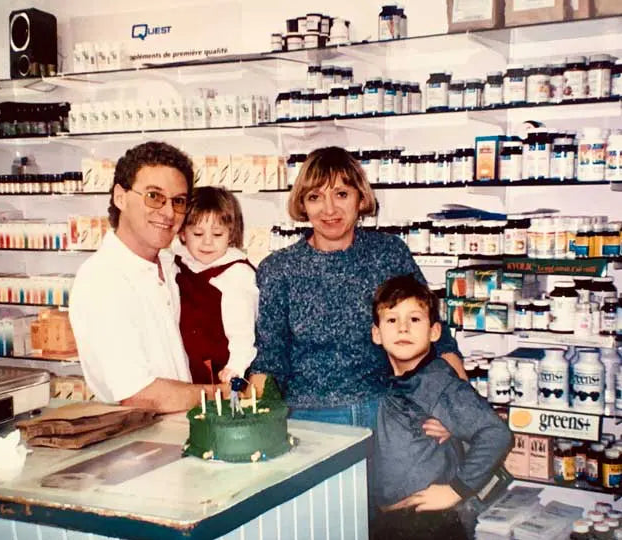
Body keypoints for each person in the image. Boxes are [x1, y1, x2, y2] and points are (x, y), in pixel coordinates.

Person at [252, 145, 465, 425]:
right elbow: (270, 360)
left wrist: (458, 413)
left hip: (388, 411)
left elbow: (435, 334)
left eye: (341, 194)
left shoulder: (388, 254)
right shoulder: (279, 268)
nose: (329, 209)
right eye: (315, 197)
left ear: (360, 198)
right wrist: (255, 421)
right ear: (302, 204)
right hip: (307, 418)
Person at [69, 141, 222, 412]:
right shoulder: (102, 280)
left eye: (178, 201)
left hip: (184, 426)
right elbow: (138, 394)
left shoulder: (172, 264)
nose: (168, 213)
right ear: (120, 197)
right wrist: (229, 393)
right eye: (154, 196)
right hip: (141, 434)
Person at [371, 275, 512, 539]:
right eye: (392, 320)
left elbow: (496, 433)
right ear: (377, 334)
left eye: (414, 319)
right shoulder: (391, 378)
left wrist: (456, 490)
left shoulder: (439, 382)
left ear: (434, 332)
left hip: (428, 522)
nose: (403, 329)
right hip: (394, 518)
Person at [174, 186, 258, 384]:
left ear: (231, 235)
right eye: (197, 234)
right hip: (186, 371)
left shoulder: (237, 274)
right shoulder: (178, 263)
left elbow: (243, 331)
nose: (207, 243)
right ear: (183, 233)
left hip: (223, 372)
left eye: (217, 234)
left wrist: (236, 366)